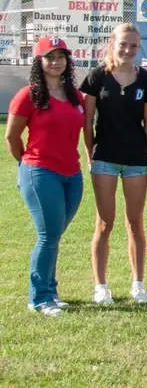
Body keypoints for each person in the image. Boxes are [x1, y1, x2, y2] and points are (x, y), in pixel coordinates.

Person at [6, 38, 85, 316]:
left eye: (61, 56)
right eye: (49, 57)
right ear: (39, 61)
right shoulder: (28, 95)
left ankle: (50, 291)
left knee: (54, 235)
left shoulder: (76, 95)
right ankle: (39, 298)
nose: (56, 62)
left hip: (72, 174)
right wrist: (28, 165)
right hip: (40, 172)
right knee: (48, 235)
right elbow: (12, 137)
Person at [81, 24, 147, 304]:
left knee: (135, 223)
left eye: (134, 46)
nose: (128, 50)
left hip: (136, 161)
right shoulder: (96, 77)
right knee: (104, 223)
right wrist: (91, 156)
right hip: (105, 160)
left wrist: (140, 151)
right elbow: (87, 123)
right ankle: (101, 286)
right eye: (123, 44)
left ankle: (138, 284)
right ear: (112, 43)